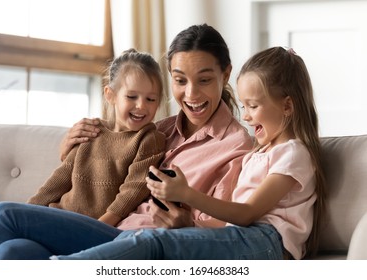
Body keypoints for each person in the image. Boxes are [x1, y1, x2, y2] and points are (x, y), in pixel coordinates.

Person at [0, 24, 252, 260]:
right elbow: (108, 153)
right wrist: (68, 149)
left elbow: (228, 230)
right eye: (180, 80)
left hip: (137, 244)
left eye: (204, 80)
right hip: (106, 235)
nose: (191, 93)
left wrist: (186, 223)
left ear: (225, 75)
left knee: (5, 213)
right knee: (12, 252)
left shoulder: (236, 146)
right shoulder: (161, 129)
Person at [51, 46, 326, 260]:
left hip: (265, 242)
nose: (247, 116)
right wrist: (71, 150)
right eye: (244, 106)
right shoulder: (260, 152)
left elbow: (246, 214)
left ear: (287, 106)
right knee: (136, 241)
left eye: (253, 106)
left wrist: (186, 195)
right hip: (245, 237)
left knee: (150, 241)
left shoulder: (293, 153)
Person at [27, 49, 166, 226]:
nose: (141, 105)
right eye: (132, 96)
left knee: (3, 213)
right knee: (10, 245)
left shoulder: (149, 139)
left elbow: (132, 192)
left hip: (93, 228)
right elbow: (57, 182)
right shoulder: (91, 130)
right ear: (110, 95)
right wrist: (27, 211)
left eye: (151, 99)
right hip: (59, 216)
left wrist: (96, 229)